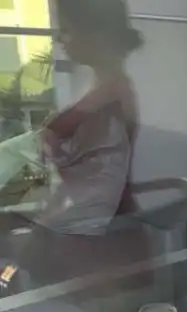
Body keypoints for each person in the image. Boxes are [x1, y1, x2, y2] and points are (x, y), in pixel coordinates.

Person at [0, 0, 146, 292]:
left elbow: (93, 183)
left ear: (96, 32)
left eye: (66, 29)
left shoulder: (110, 95)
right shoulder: (103, 89)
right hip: (92, 226)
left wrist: (42, 227)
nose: (59, 39)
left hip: (99, 239)